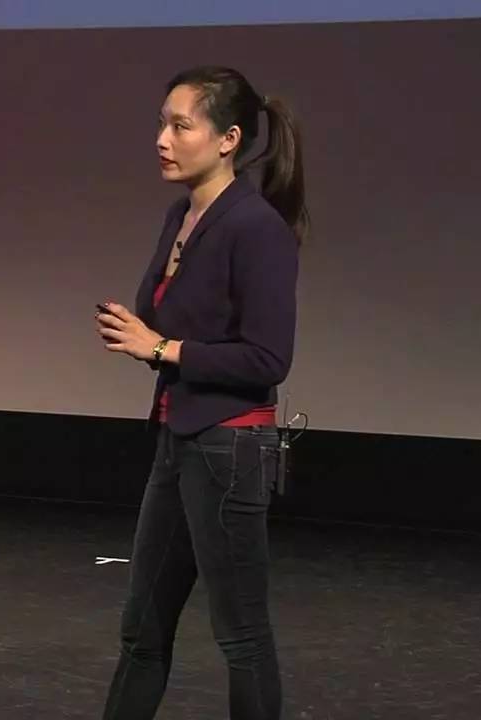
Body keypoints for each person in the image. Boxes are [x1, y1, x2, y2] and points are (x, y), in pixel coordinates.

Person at [94, 65, 308, 720]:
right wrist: (143, 335)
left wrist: (162, 349)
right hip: (177, 437)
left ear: (227, 139)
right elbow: (168, 322)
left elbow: (268, 358)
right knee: (142, 629)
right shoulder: (181, 216)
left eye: (181, 126)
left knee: (241, 636)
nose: (163, 139)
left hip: (229, 448)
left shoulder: (256, 227)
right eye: (162, 124)